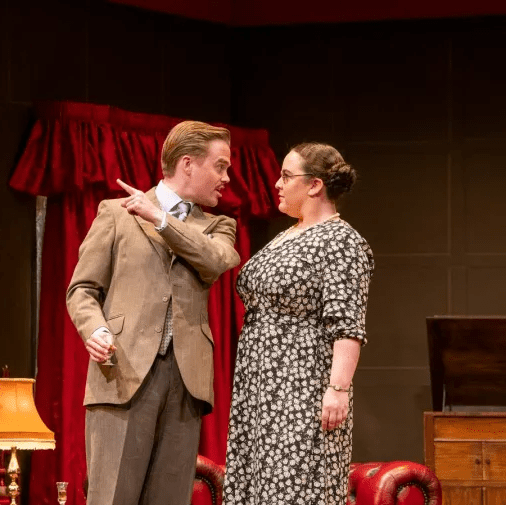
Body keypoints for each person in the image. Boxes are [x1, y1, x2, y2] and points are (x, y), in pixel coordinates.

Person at [66, 120, 241, 505]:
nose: (227, 178)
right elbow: (82, 289)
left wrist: (161, 218)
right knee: (112, 498)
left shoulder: (218, 225)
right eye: (220, 166)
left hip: (186, 381)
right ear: (188, 163)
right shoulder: (116, 213)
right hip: (122, 372)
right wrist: (94, 329)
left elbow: (217, 261)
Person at [223, 143, 374, 505]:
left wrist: (337, 389)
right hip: (261, 387)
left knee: (296, 487)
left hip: (302, 387)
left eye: (286, 176)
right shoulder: (288, 234)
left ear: (314, 185)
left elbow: (348, 324)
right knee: (256, 487)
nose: (277, 184)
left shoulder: (341, 241)